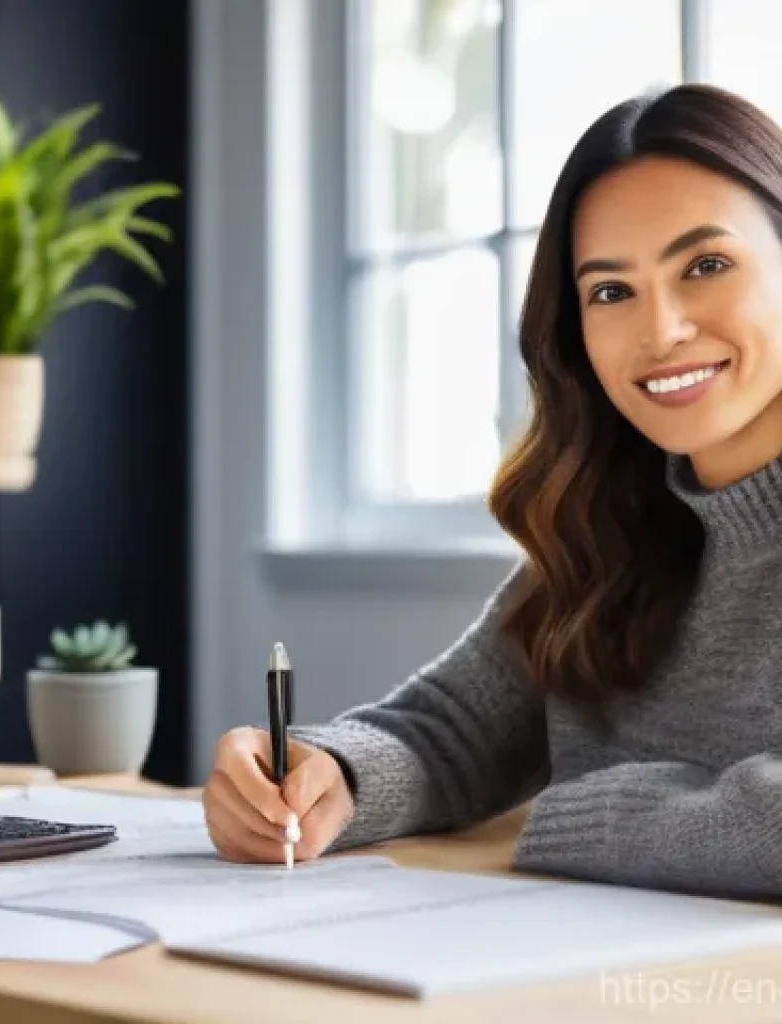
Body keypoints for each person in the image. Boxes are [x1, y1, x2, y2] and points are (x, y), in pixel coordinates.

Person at [201, 81, 782, 900]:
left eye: (707, 266)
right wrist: (326, 776)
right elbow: (451, 733)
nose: (662, 331)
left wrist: (581, 820)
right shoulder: (611, 521)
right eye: (610, 291)